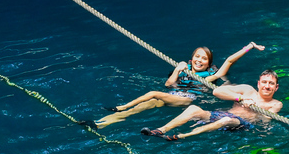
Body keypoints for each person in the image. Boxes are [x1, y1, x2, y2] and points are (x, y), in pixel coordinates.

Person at [92, 42, 265, 129]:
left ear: (208, 64)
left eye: (204, 59)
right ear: (192, 59)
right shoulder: (184, 69)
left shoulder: (210, 77)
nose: (200, 60)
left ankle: (120, 107)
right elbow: (169, 84)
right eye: (197, 57)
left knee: (154, 93)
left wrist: (249, 46)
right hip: (172, 94)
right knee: (142, 107)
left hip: (185, 99)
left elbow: (229, 60)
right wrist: (177, 69)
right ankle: (101, 123)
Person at [140, 69, 283, 141]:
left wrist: (255, 109)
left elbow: (265, 121)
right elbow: (217, 91)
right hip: (223, 115)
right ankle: (160, 130)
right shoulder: (247, 90)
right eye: (264, 82)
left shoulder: (276, 103)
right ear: (258, 83)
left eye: (271, 84)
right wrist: (240, 98)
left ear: (276, 88)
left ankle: (182, 136)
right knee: (193, 108)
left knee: (227, 120)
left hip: (243, 125)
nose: (267, 86)